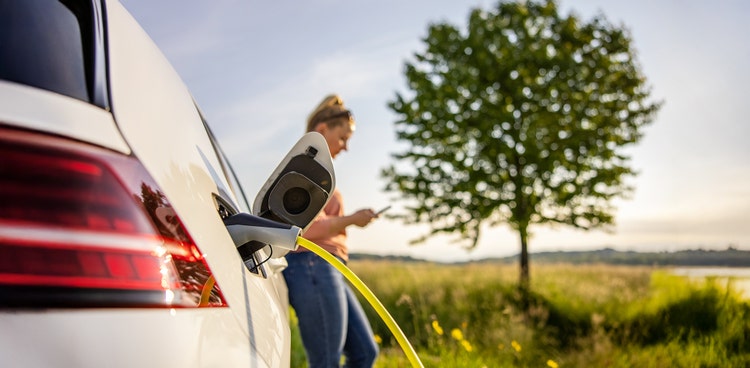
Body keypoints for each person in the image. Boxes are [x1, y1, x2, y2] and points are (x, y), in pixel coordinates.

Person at [282, 94, 380, 368]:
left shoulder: (318, 169)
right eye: (344, 138)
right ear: (323, 130)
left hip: (328, 269)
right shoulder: (304, 167)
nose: (346, 147)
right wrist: (351, 219)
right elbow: (304, 227)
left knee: (365, 353)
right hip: (312, 265)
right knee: (326, 362)